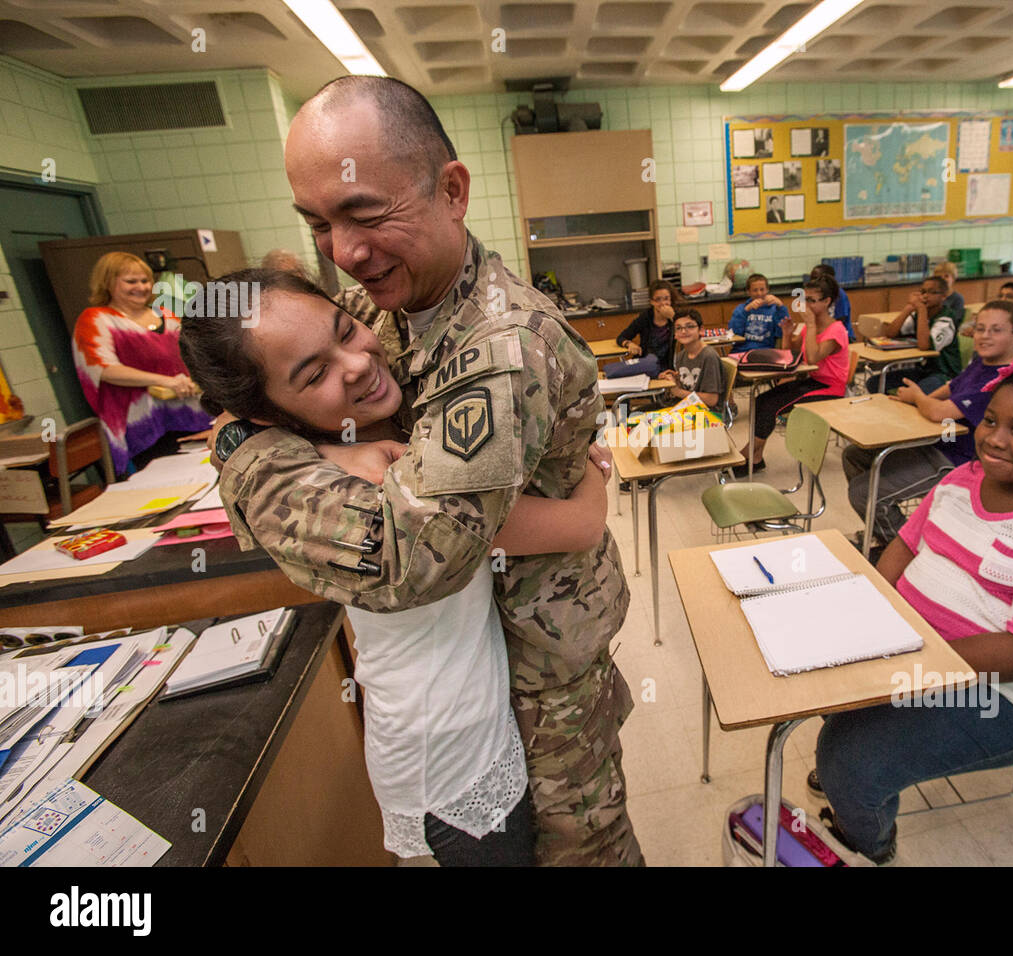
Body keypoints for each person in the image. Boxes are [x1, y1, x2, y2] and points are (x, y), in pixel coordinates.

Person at [207, 75, 640, 866]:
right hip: (473, 667)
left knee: (582, 846)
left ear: (451, 191)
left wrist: (248, 452)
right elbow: (257, 395)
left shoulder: (499, 348)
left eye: (364, 214)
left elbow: (413, 556)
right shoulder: (384, 306)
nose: (344, 252)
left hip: (539, 660)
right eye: (319, 226)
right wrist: (281, 444)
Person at [181, 268, 616, 865]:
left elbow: (228, 433)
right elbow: (582, 524)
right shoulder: (392, 495)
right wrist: (588, 464)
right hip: (450, 758)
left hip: (473, 732)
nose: (355, 363)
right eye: (315, 373)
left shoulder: (362, 433)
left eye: (345, 329)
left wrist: (330, 446)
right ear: (266, 412)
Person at [814, 360, 1013, 864]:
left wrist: (904, 663)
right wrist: (870, 613)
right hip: (925, 657)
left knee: (846, 760)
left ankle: (868, 843)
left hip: (1011, 696)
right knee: (825, 687)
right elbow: (906, 545)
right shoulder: (964, 477)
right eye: (990, 421)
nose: (995, 439)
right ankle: (861, 775)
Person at [845, 301, 1013, 552]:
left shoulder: (1003, 380)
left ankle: (904, 551)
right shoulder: (982, 363)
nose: (985, 336)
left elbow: (940, 412)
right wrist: (926, 400)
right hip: (938, 441)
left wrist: (919, 398)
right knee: (856, 454)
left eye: (996, 330)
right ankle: (884, 529)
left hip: (958, 461)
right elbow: (952, 387)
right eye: (980, 328)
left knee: (863, 492)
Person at [71, 251, 211, 475]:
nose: (141, 287)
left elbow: (191, 354)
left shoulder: (165, 314)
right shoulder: (96, 319)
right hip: (142, 426)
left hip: (191, 417)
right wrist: (166, 381)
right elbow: (103, 369)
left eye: (145, 281)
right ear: (107, 283)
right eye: (131, 281)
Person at [738, 274, 848, 471]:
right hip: (811, 380)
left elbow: (813, 357)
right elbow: (793, 354)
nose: (807, 306)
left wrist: (811, 324)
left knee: (771, 405)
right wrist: (788, 334)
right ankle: (756, 455)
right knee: (761, 400)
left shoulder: (835, 330)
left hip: (830, 388)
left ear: (827, 302)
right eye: (805, 299)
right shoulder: (809, 327)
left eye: (813, 301)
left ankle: (750, 455)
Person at [877, 275, 961, 392]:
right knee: (875, 383)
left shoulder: (946, 319)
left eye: (932, 292)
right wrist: (908, 308)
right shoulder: (918, 314)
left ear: (943, 296)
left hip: (944, 374)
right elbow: (890, 334)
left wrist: (921, 309)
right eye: (923, 292)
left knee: (916, 393)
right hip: (923, 370)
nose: (926, 296)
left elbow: (924, 345)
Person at [662, 308, 723, 413]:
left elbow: (711, 400)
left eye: (690, 326)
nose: (684, 331)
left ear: (701, 330)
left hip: (708, 413)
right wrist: (674, 380)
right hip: (688, 407)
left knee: (647, 425)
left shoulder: (709, 356)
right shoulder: (681, 356)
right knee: (638, 418)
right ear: (675, 334)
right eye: (678, 328)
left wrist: (678, 391)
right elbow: (689, 389)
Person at [614, 279, 681, 373]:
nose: (663, 303)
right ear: (652, 302)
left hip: (668, 367)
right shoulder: (645, 317)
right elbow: (621, 337)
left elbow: (689, 336)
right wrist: (629, 344)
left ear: (670, 300)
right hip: (646, 364)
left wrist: (673, 317)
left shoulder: (677, 317)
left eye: (666, 299)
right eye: (658, 300)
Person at [728, 273, 789, 353]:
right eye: (755, 290)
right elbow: (733, 334)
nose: (759, 294)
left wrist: (780, 306)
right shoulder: (741, 309)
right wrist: (745, 311)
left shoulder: (774, 310)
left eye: (762, 289)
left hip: (765, 352)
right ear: (748, 292)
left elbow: (784, 332)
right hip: (741, 351)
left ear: (767, 290)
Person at [810, 263, 855, 342]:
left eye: (816, 278)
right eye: (811, 278)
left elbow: (840, 319)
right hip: (824, 333)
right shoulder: (816, 295)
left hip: (843, 336)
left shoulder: (839, 294)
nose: (813, 281)